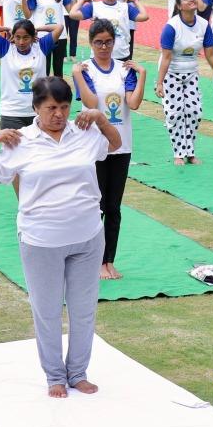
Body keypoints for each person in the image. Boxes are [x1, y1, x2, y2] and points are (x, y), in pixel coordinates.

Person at [0, 76, 121, 398]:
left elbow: (114, 145)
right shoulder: (20, 141)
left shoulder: (84, 132)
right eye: (50, 108)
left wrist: (99, 117)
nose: (58, 114)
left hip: (87, 236)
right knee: (47, 311)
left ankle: (79, 373)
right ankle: (55, 376)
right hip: (41, 239)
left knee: (84, 309)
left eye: (63, 107)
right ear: (36, 108)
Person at [73, 19, 146, 280]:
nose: (104, 47)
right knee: (95, 206)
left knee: (113, 207)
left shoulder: (125, 71)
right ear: (90, 43)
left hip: (121, 146)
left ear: (115, 42)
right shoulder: (85, 70)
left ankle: (108, 261)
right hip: (94, 147)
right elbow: (91, 103)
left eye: (108, 42)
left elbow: (134, 103)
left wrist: (143, 75)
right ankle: (89, 259)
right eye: (98, 42)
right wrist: (77, 76)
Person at [157, 0, 213, 165]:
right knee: (175, 113)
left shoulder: (203, 24)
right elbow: (166, 57)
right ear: (179, 6)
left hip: (191, 73)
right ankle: (178, 153)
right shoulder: (171, 27)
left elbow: (210, 54)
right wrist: (159, 83)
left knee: (194, 111)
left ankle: (190, 151)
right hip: (171, 73)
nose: (192, 0)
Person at [0, 19, 61, 129]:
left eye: (26, 37)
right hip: (11, 113)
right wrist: (7, 29)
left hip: (39, 112)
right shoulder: (5, 48)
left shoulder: (41, 46)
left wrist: (37, 29)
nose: (21, 42)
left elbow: (59, 27)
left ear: (32, 37)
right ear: (13, 37)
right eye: (17, 37)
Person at [69, 0, 148, 62]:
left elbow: (144, 16)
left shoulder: (125, 7)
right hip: (99, 55)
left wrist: (135, 1)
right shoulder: (94, 6)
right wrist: (82, 1)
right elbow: (72, 14)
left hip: (121, 55)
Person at [30, 0, 70, 77]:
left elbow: (71, 12)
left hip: (60, 36)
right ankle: (44, 94)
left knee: (58, 71)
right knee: (44, 71)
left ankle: (59, 95)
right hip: (42, 36)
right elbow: (28, 14)